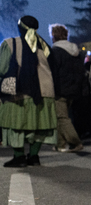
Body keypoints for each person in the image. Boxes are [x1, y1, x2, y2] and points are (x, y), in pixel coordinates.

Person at [0, 16, 57, 167]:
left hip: (19, 92)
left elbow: (2, 68)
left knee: (16, 125)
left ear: (20, 28)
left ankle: (19, 157)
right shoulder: (44, 46)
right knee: (39, 125)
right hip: (45, 91)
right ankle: (34, 156)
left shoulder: (10, 44)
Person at [48, 23, 85, 153]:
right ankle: (60, 144)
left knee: (62, 118)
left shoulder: (55, 52)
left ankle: (75, 142)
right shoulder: (76, 52)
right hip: (74, 89)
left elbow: (52, 72)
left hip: (60, 89)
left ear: (54, 36)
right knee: (60, 116)